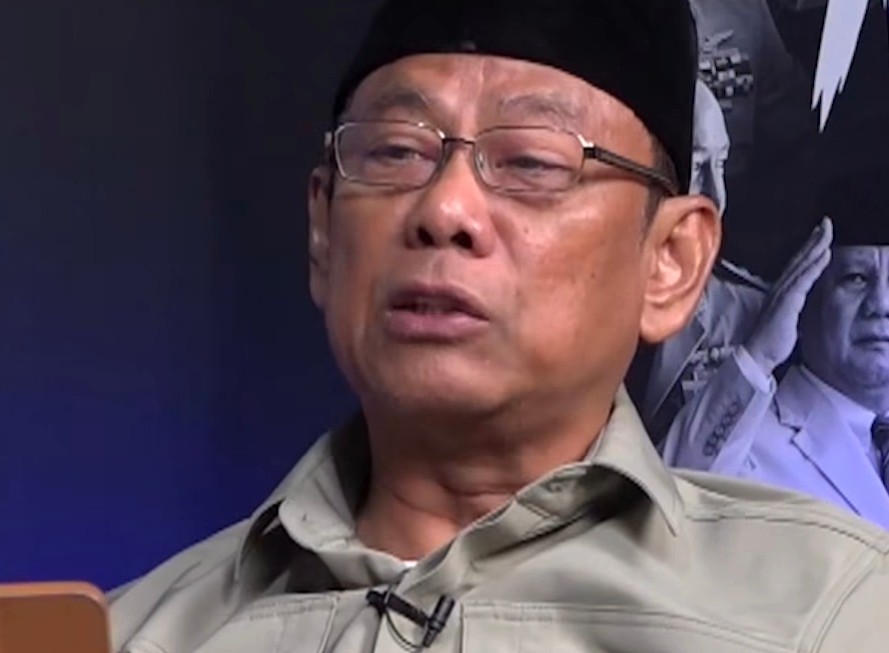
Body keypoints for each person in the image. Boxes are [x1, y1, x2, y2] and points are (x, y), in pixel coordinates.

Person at [108, 2, 889, 652]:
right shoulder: (125, 632)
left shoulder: (835, 612)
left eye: (531, 163)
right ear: (323, 232)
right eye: (396, 151)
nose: (444, 208)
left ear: (670, 260)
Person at [666, 230, 889, 530]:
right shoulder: (740, 445)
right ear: (804, 300)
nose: (881, 304)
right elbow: (670, 503)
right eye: (856, 278)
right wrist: (760, 354)